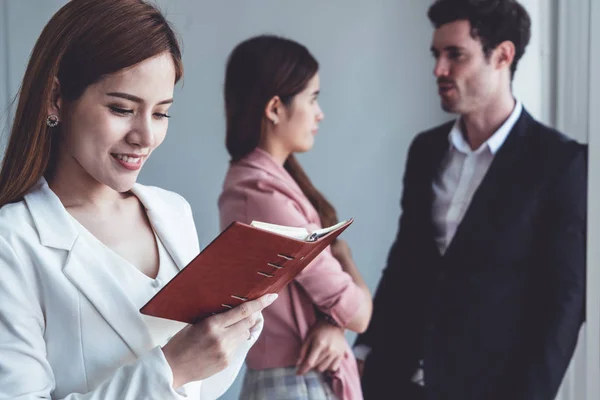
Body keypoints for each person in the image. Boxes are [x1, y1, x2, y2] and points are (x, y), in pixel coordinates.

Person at [0, 1, 277, 398]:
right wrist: (171, 368)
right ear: (56, 98)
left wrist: (237, 325)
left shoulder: (172, 213)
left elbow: (202, 385)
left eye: (161, 113)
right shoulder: (12, 243)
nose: (145, 136)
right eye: (122, 108)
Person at [354, 1, 587, 399]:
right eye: (436, 54)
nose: (438, 69)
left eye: (455, 55)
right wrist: (364, 351)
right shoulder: (425, 150)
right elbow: (407, 259)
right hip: (395, 378)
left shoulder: (561, 163)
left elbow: (565, 301)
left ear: (503, 56)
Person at [218, 35, 373, 400]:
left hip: (300, 380)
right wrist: (345, 259)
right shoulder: (260, 193)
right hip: (293, 385)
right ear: (275, 108)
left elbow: (342, 312)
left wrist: (333, 323)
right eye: (313, 98)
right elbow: (359, 314)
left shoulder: (271, 184)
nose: (320, 113)